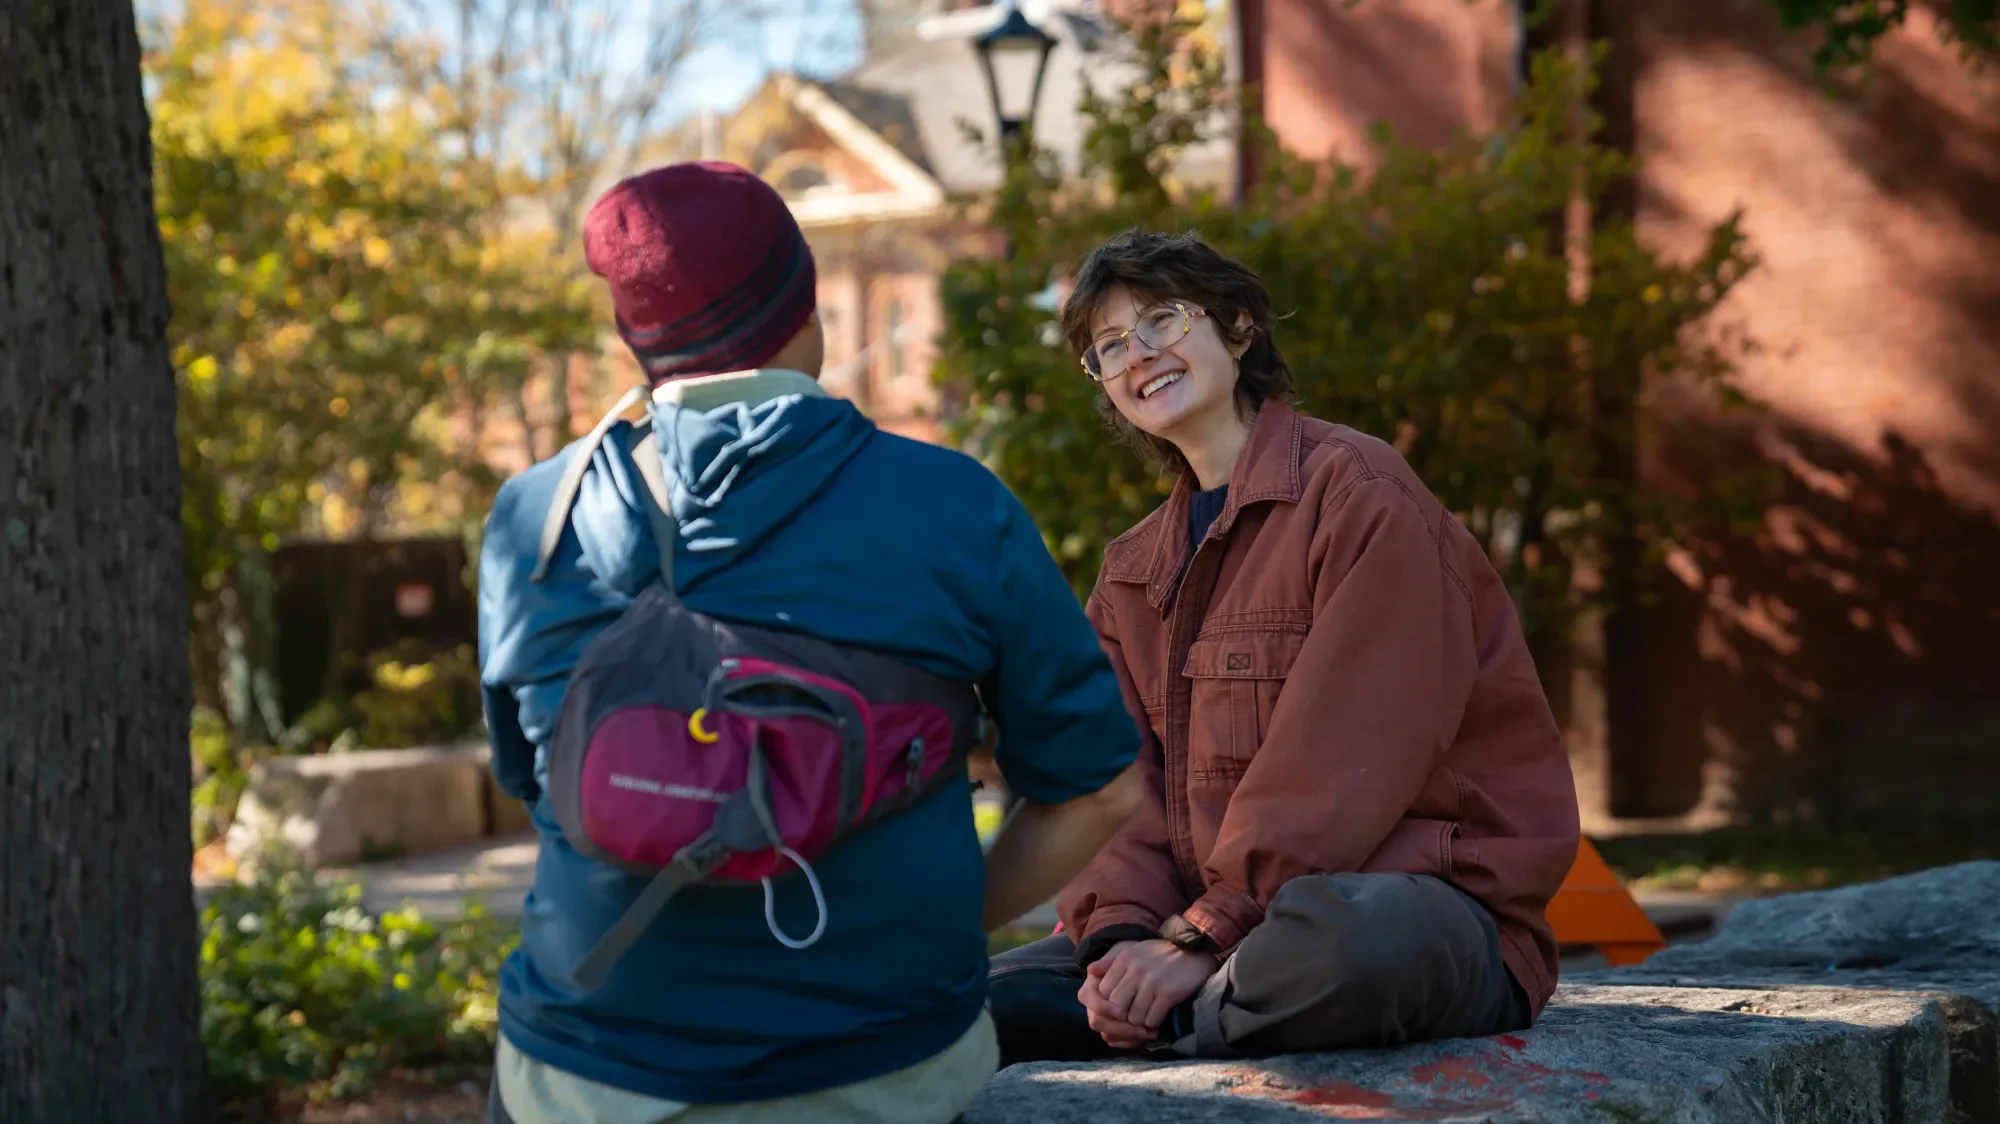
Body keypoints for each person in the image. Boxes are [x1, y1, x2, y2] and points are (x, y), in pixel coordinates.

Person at [476, 162, 1145, 1124]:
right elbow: (1101, 786)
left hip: (584, 1074)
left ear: (637, 341)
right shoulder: (951, 508)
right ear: (807, 309)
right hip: (878, 1073)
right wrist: (933, 924)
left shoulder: (535, 516)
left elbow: (537, 781)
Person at [986, 229, 1581, 1064]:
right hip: (1203, 929)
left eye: (1161, 321)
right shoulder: (1128, 575)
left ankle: (1161, 1020)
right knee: (976, 1001)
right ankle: (1159, 1009)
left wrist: (1198, 940)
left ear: (1237, 327)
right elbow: (1114, 788)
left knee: (1345, 945)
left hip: (1420, 905)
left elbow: (1344, 758)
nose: (1137, 355)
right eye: (1109, 346)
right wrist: (1122, 939)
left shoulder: (1359, 495)